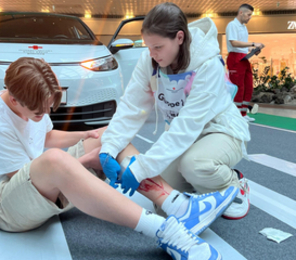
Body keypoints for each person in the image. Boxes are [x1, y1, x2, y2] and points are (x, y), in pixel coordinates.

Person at [0, 56, 239, 260]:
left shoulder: (32, 100)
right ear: (14, 100)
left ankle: (178, 205)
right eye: (38, 112)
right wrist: (85, 163)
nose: (43, 115)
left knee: (111, 136)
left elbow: (45, 137)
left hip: (38, 188)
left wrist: (88, 135)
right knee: (55, 161)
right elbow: (23, 177)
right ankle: (165, 231)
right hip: (5, 205)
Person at [99, 2, 252, 223]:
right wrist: (109, 147)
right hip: (187, 137)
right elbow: (132, 107)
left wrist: (140, 168)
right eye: (148, 46)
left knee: (195, 165)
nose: (151, 54)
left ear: (179, 37)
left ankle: (233, 184)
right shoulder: (150, 59)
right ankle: (204, 185)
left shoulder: (208, 65)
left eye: (158, 47)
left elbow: (187, 126)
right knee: (163, 205)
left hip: (220, 130)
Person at [226, 4, 264, 122]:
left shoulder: (244, 27)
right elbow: (234, 43)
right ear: (241, 13)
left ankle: (243, 114)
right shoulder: (232, 25)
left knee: (248, 85)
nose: (250, 17)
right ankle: (236, 114)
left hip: (243, 57)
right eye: (248, 15)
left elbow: (242, 45)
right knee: (238, 86)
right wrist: (253, 44)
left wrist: (252, 50)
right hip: (235, 58)